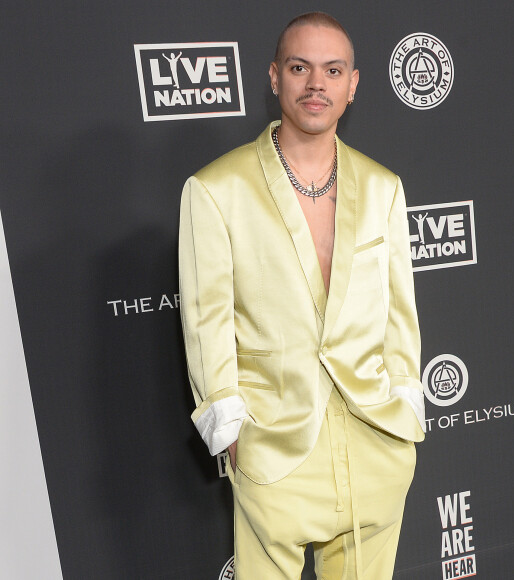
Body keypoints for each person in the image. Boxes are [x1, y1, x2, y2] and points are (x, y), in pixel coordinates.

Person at [179, 12, 426, 579]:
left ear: (353, 85)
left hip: (375, 442)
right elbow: (205, 320)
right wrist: (233, 433)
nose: (317, 84)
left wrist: (406, 404)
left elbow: (400, 314)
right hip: (275, 445)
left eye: (332, 70)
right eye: (300, 67)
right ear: (274, 77)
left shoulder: (385, 187)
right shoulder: (216, 190)